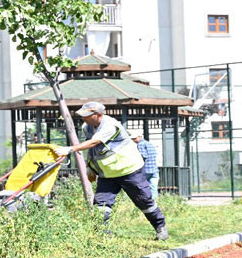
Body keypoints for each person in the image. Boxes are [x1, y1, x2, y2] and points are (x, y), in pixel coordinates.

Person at [54, 102, 168, 241]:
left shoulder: (110, 125)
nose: (83, 118)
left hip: (129, 170)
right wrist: (89, 166)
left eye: (87, 115)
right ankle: (101, 235)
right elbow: (92, 148)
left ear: (98, 115)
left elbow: (94, 142)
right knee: (101, 204)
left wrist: (71, 149)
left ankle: (160, 227)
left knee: (144, 201)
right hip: (107, 175)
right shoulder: (87, 127)